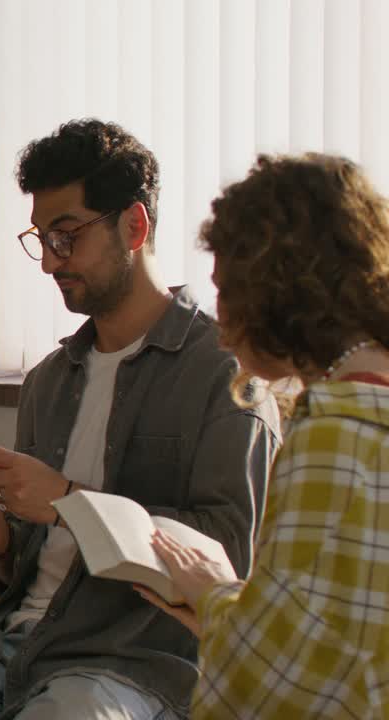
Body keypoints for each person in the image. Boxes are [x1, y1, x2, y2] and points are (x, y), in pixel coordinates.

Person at [0, 119, 279, 719]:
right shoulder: (49, 382)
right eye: (40, 238)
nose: (47, 262)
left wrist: (67, 501)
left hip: (127, 668)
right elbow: (33, 559)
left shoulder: (227, 374)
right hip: (5, 652)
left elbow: (229, 555)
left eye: (66, 236)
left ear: (134, 226)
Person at [141, 154, 389, 719]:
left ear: (277, 290)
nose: (222, 328)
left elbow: (275, 676)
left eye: (227, 291)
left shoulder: (334, 435)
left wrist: (213, 593)